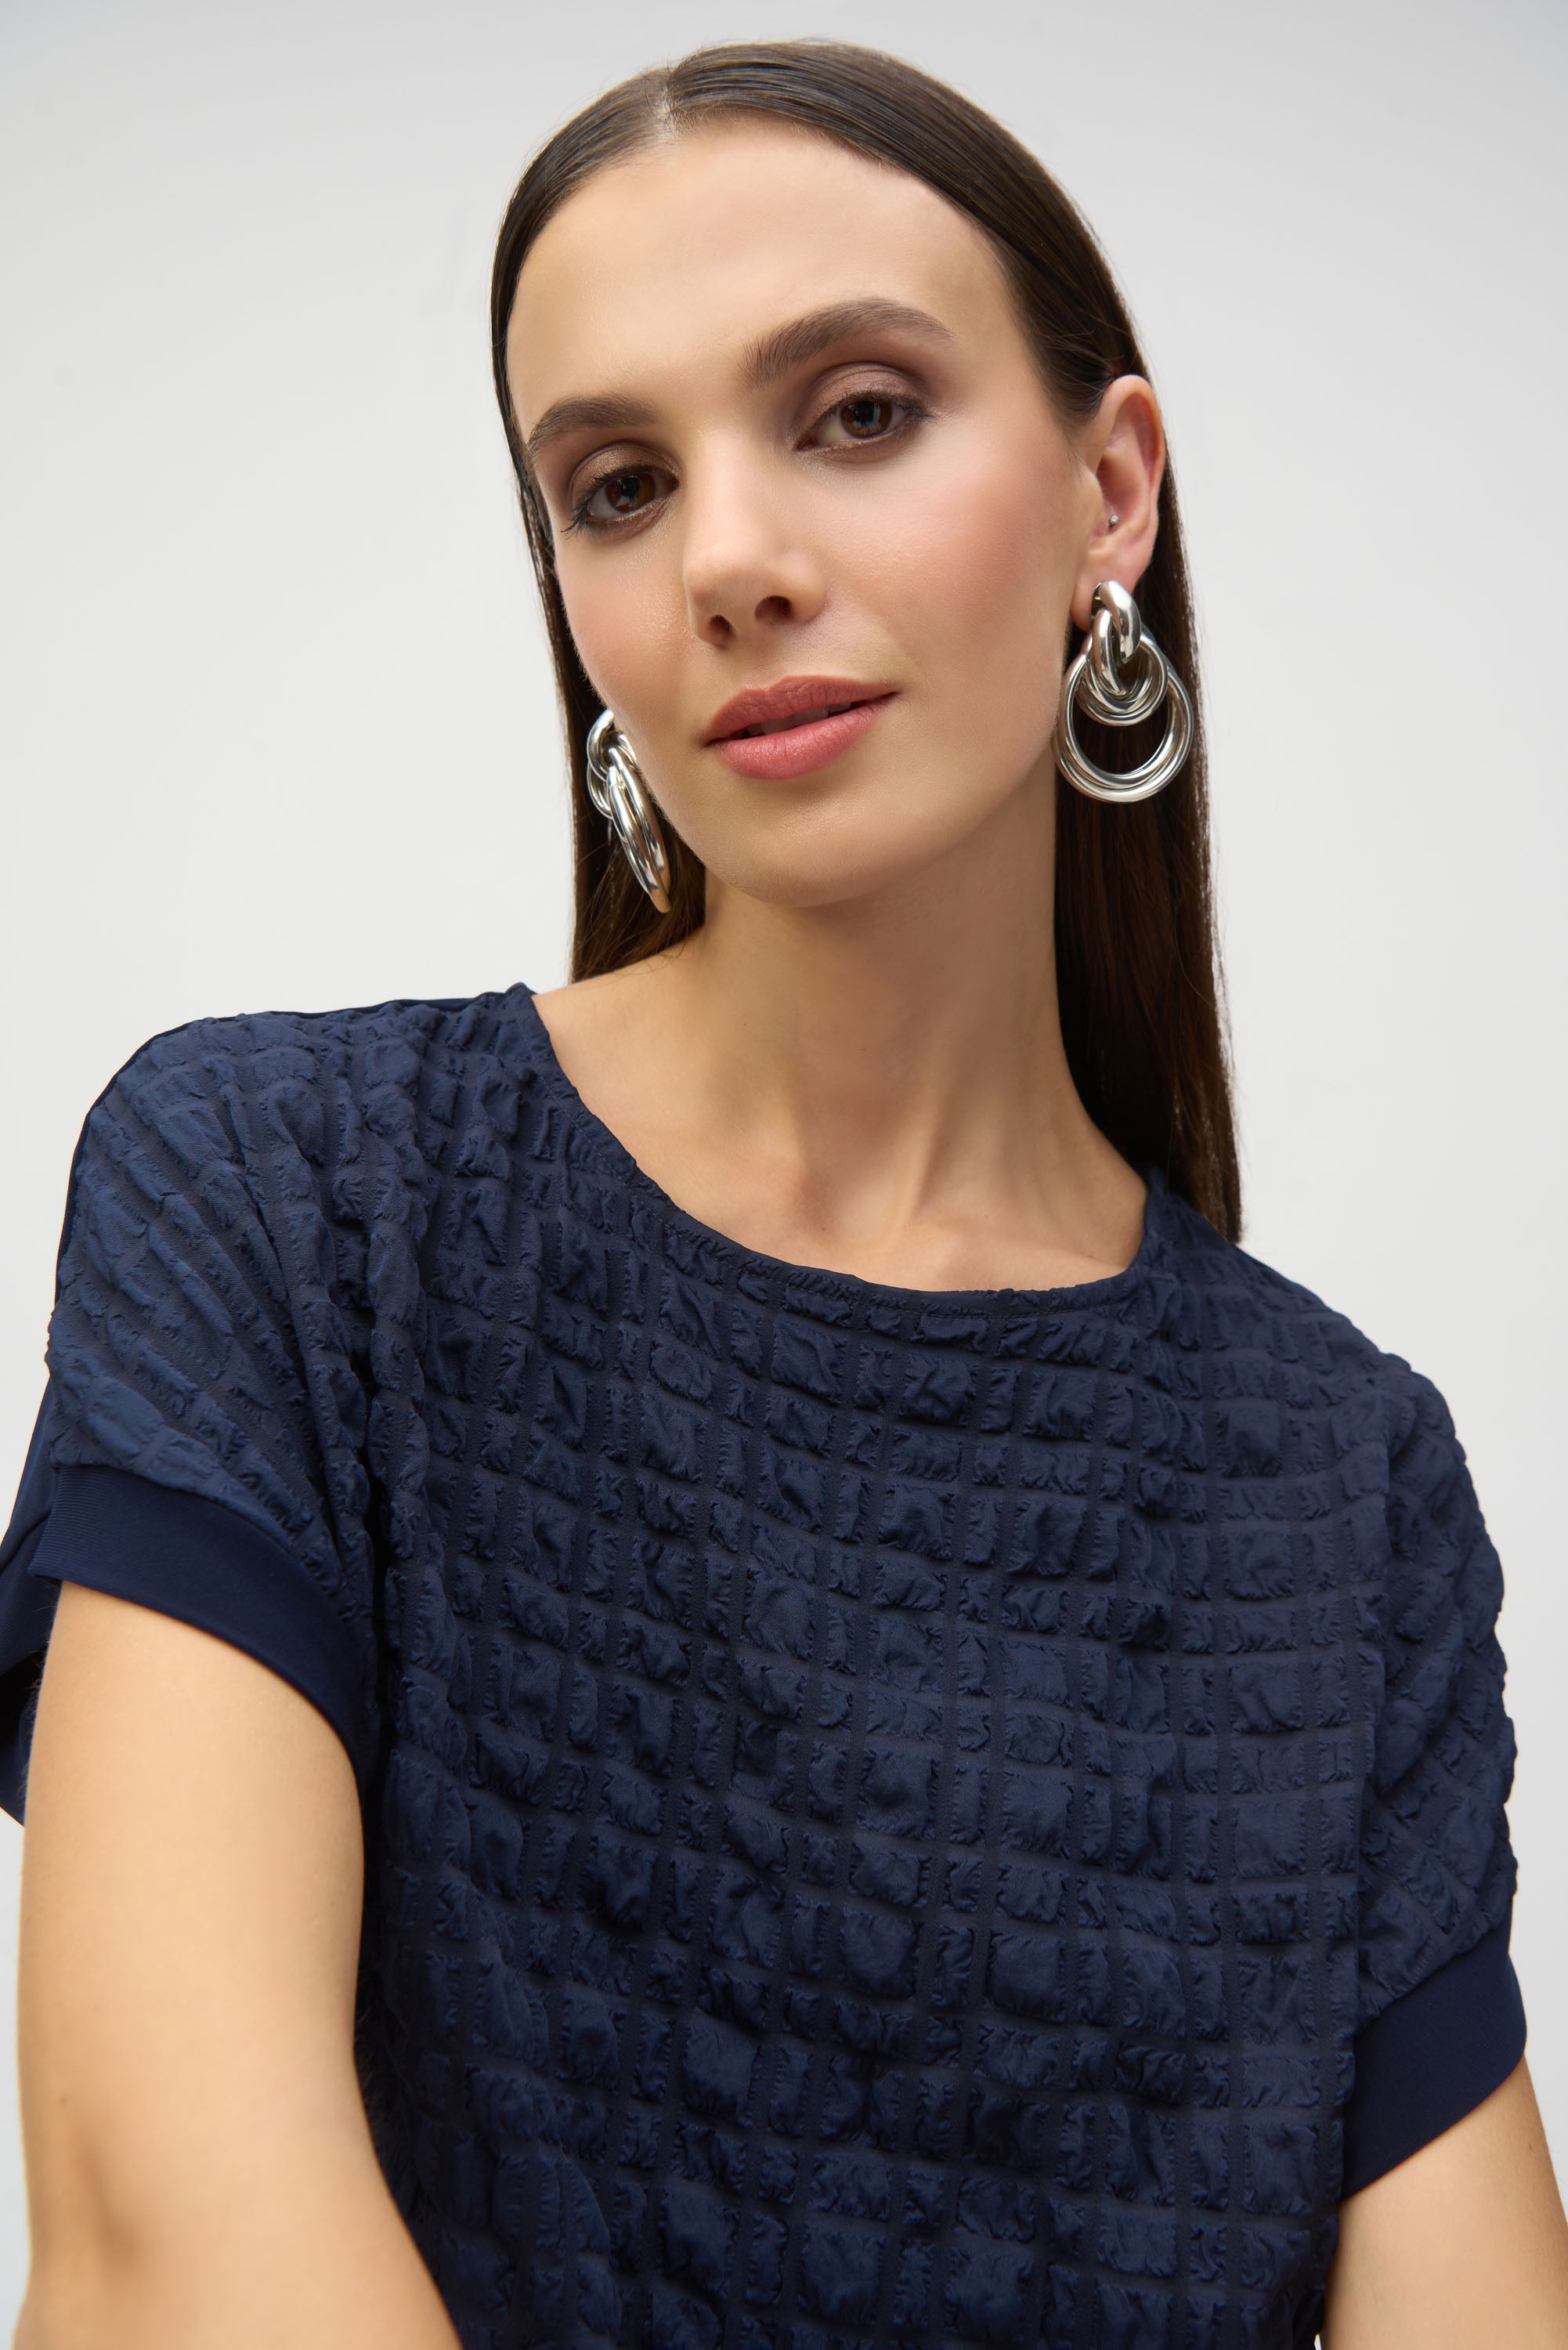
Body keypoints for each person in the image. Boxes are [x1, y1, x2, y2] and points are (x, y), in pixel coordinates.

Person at [1, 37, 1564, 2350]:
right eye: (617, 485)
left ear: (1106, 494)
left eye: (853, 413)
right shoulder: (289, 1201)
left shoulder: (1342, 1479)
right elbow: (161, 2244)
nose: (729, 558)